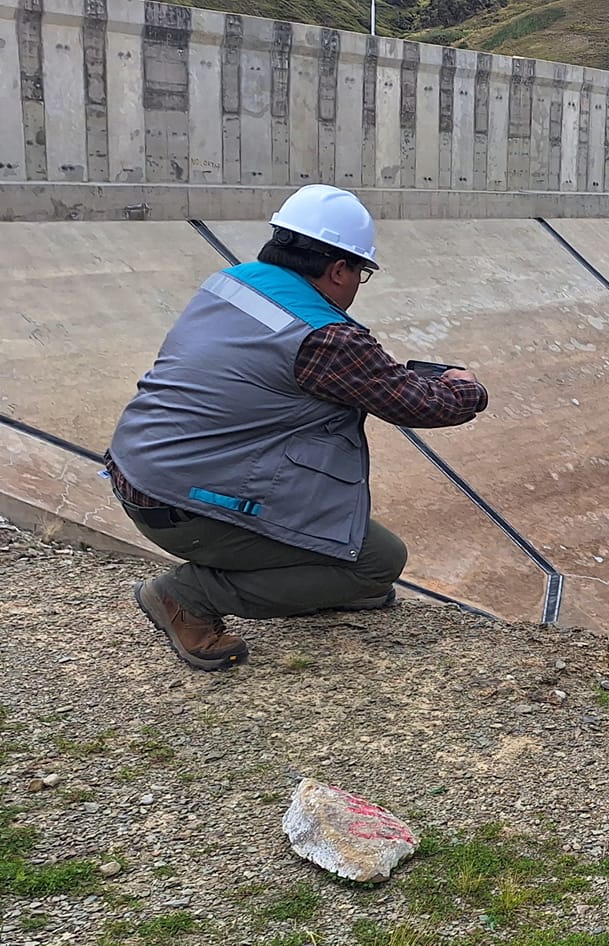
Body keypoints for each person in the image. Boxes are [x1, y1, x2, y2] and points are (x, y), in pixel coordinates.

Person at [105, 184, 488, 670]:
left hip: (141, 471)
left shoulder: (233, 282)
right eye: (360, 274)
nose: (355, 286)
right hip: (185, 505)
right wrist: (466, 386)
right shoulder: (324, 337)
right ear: (339, 269)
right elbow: (424, 405)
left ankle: (317, 584)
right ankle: (186, 596)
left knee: (357, 552)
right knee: (377, 563)